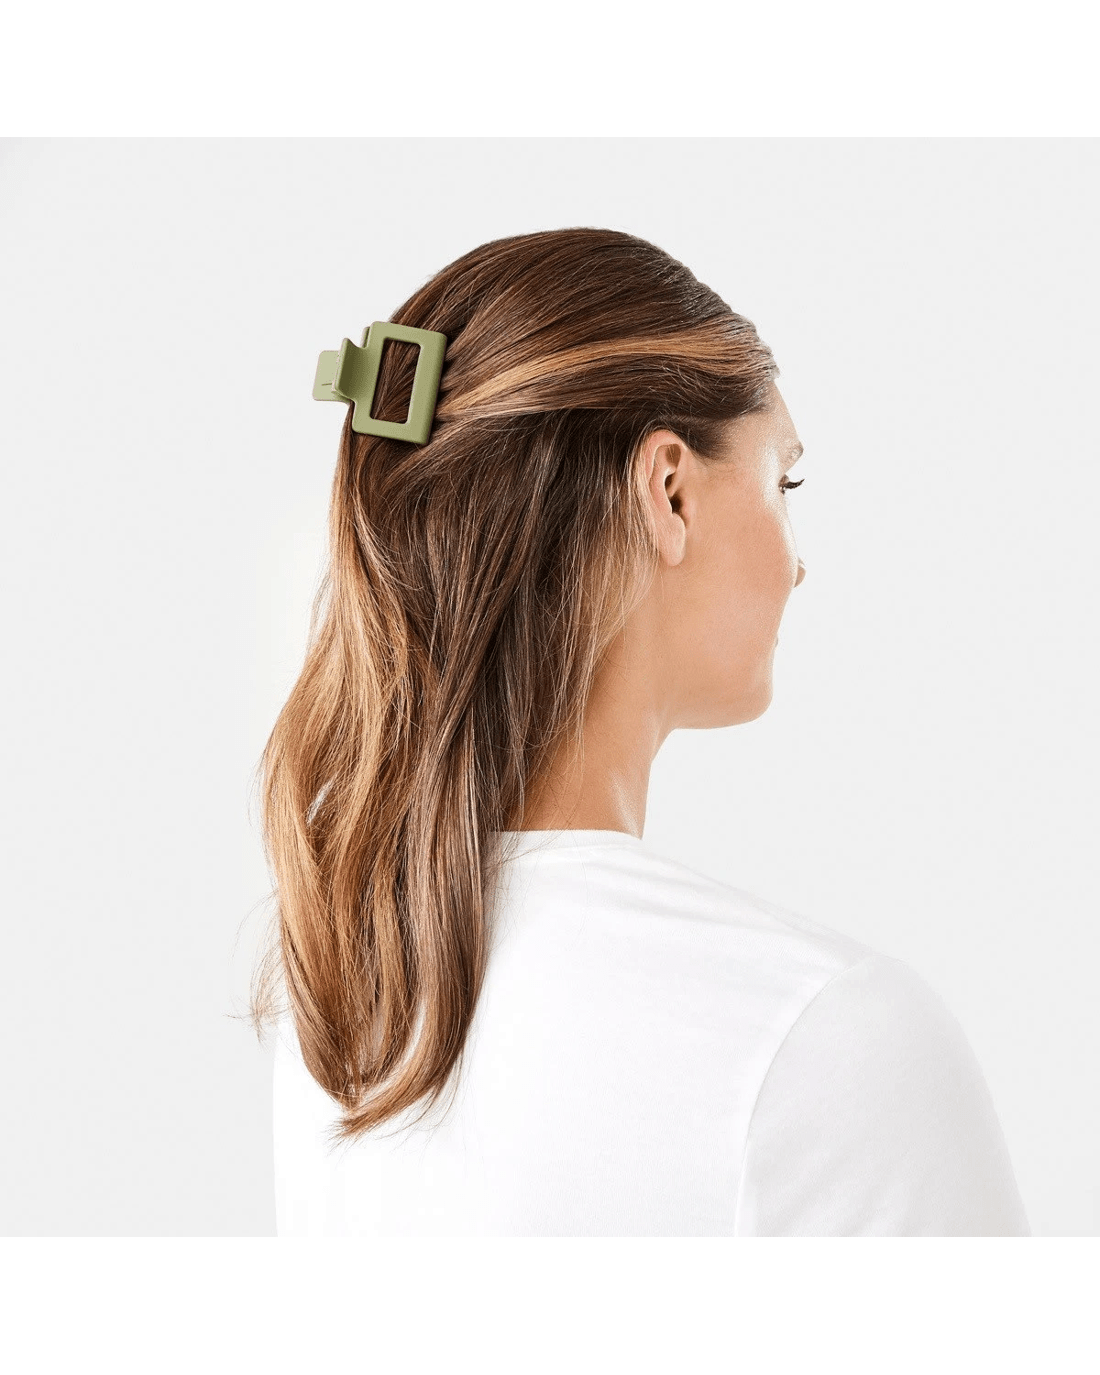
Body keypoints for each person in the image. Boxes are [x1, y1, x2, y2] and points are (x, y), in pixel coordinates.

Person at [254, 227, 1030, 1236]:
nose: (798, 564)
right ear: (668, 490)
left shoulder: (344, 1010)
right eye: (783, 482)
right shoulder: (826, 1036)